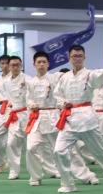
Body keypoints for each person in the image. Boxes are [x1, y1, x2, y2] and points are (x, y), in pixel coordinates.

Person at [53, 45, 103, 193]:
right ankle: (68, 184)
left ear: (84, 57)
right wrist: (63, 103)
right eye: (74, 56)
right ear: (69, 58)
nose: (77, 58)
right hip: (69, 119)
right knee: (59, 151)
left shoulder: (89, 74)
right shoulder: (64, 77)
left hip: (87, 118)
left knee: (101, 153)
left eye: (80, 56)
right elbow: (57, 95)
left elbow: (97, 76)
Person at [25, 51, 82, 186]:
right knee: (31, 148)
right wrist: (31, 104)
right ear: (34, 64)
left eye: (44, 62)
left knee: (66, 148)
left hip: (54, 117)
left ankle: (85, 175)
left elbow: (67, 77)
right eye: (39, 62)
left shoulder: (55, 77)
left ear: (48, 64)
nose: (41, 64)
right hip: (37, 118)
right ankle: (35, 176)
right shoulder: (31, 82)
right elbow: (28, 98)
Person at [3, 56, 32, 180]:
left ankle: (51, 169)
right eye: (13, 65)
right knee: (11, 143)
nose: (15, 67)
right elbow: (9, 98)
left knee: (32, 146)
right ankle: (14, 170)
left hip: (28, 114)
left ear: (21, 66)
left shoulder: (28, 79)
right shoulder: (6, 82)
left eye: (17, 65)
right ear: (9, 67)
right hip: (14, 116)